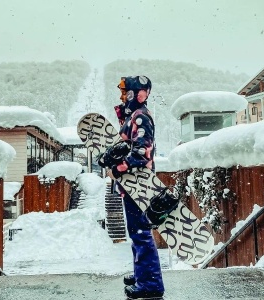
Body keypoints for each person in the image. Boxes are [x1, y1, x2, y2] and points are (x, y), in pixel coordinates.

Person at [107, 75, 165, 299]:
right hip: (132, 185)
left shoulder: (140, 117)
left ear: (138, 94)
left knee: (141, 233)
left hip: (138, 184)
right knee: (136, 232)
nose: (123, 96)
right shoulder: (133, 116)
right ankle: (143, 273)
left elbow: (142, 152)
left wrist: (118, 168)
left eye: (127, 91)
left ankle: (150, 284)